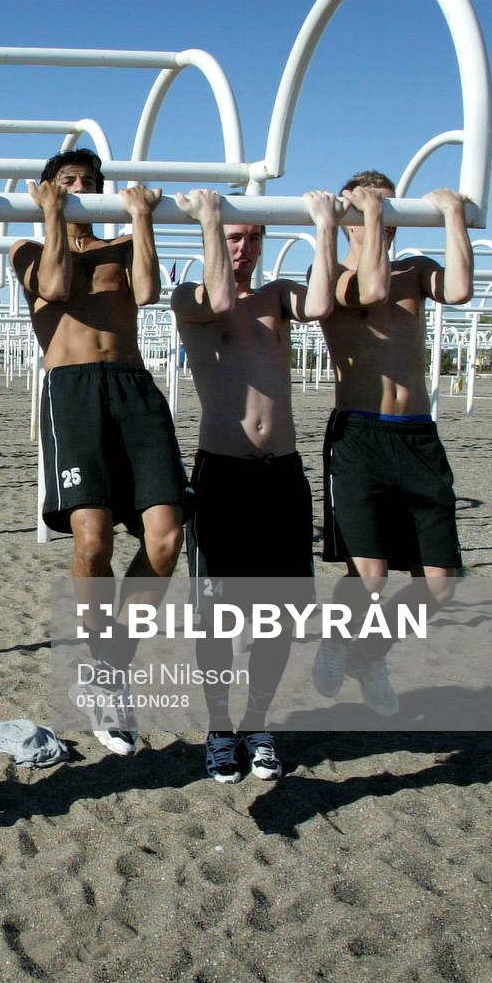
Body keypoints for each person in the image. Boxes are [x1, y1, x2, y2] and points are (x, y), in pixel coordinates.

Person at [10, 149, 188, 755]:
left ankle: (112, 663)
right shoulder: (28, 251)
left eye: (89, 183)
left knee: (165, 539)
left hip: (134, 387)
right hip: (73, 390)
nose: (81, 189)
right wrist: (54, 215)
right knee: (94, 540)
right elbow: (56, 286)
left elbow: (146, 291)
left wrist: (140, 218)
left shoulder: (118, 245)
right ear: (46, 191)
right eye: (69, 182)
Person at [172, 190, 338, 783]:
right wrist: (211, 222)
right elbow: (219, 296)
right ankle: (219, 727)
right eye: (233, 238)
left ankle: (257, 723)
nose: (242, 249)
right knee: (215, 616)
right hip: (222, 473)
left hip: (281, 475)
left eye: (252, 239)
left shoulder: (278, 298)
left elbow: (319, 306)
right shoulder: (189, 298)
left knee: (279, 615)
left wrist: (324, 227)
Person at [314, 171, 474, 716]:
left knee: (441, 586)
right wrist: (364, 217)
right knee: (371, 576)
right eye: (367, 208)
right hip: (359, 434)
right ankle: (339, 638)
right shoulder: (331, 275)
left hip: (418, 436)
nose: (377, 218)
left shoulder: (415, 272)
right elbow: (369, 290)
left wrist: (452, 213)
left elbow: (458, 289)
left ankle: (369, 653)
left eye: (386, 208)